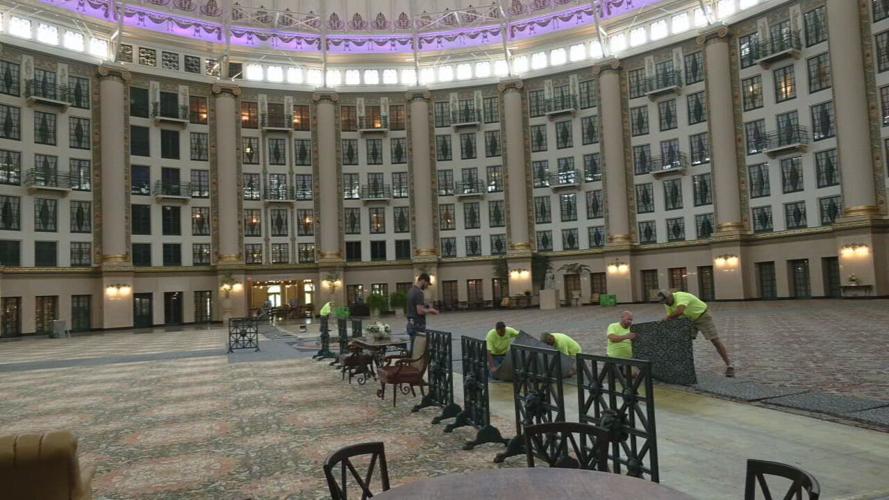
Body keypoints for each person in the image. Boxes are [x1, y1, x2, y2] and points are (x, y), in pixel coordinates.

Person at [657, 290, 734, 377]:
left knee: (715, 340)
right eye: (663, 302)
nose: (666, 304)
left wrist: (666, 319)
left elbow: (679, 312)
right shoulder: (667, 304)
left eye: (666, 301)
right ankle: (682, 366)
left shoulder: (681, 297)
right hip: (688, 319)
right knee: (682, 341)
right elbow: (672, 318)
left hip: (702, 316)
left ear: (670, 296)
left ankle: (729, 365)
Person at [406, 273, 439, 353]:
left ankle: (412, 363)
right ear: (423, 281)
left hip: (410, 324)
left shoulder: (411, 291)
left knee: (414, 349)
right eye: (427, 283)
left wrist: (426, 307)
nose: (427, 286)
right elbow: (420, 311)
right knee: (419, 351)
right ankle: (417, 365)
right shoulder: (419, 292)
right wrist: (431, 310)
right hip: (418, 325)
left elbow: (414, 307)